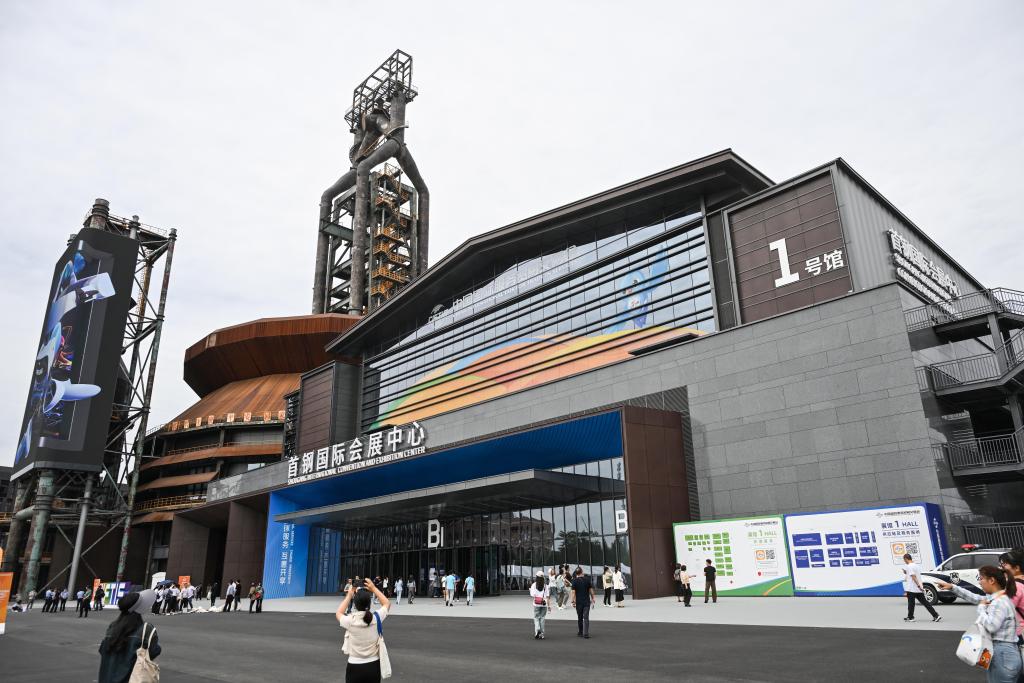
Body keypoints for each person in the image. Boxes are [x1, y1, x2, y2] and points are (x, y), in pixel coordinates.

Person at [937, 566, 1021, 683]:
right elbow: (976, 598)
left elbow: (991, 626)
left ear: (992, 580)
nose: (979, 582)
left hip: (1002, 654)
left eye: (981, 578)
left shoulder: (999, 602)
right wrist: (953, 587)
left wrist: (981, 609)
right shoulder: (999, 598)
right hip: (1005, 654)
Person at [98, 590, 161, 683]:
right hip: (132, 679)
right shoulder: (146, 629)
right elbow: (154, 651)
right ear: (140, 608)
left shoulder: (113, 627)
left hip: (106, 678)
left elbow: (102, 650)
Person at [336, 577, 391, 683]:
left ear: (355, 604)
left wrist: (349, 595)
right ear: (369, 603)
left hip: (354, 666)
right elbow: (387, 603)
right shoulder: (376, 618)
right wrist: (373, 588)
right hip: (373, 666)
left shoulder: (350, 621)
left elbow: (339, 612)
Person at [900, 553, 940, 622]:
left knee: (911, 604)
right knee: (926, 603)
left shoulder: (909, 566)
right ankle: (936, 615)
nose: (904, 562)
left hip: (912, 588)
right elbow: (913, 574)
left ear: (906, 559)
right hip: (919, 589)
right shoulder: (916, 566)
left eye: (904, 560)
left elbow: (913, 577)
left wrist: (918, 585)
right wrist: (905, 572)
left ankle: (910, 617)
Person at [570, 567, 596, 639]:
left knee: (580, 617)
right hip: (586, 602)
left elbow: (573, 593)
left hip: (579, 602)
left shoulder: (574, 581)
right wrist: (593, 598)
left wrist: (573, 601)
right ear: (582, 572)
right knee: (586, 617)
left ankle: (580, 632)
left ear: (576, 573)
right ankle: (586, 633)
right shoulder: (587, 580)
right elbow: (591, 590)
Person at [530, 572, 549, 640]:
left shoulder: (534, 585)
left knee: (536, 617)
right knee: (542, 618)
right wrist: (549, 606)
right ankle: (542, 634)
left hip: (536, 603)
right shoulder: (545, 585)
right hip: (544, 603)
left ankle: (537, 630)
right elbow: (547, 596)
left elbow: (532, 594)